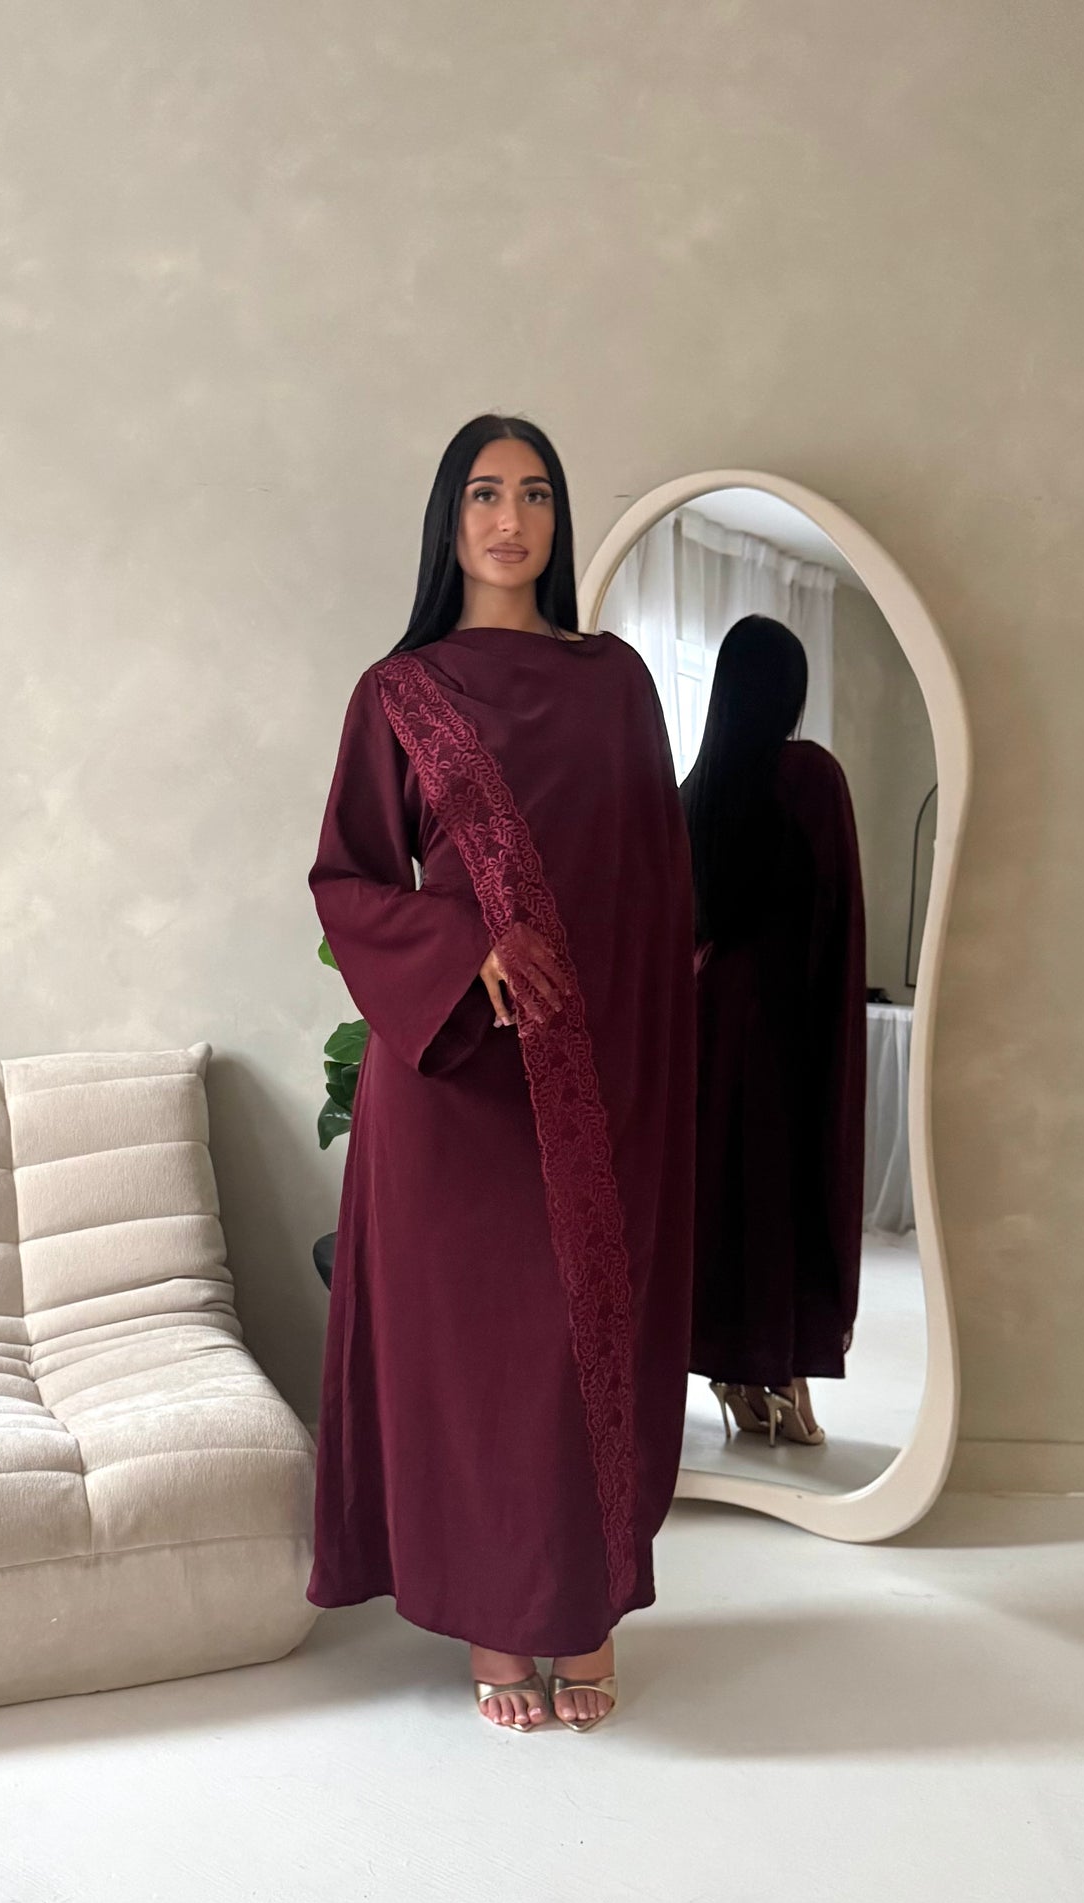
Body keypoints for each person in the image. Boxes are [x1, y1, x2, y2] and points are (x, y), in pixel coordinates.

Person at [308, 414, 695, 1732]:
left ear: (557, 519)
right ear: (449, 519)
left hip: (601, 1073)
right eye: (484, 493)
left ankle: (579, 1607)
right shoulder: (397, 692)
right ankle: (492, 1614)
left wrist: (643, 1057)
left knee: (582, 1341)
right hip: (458, 1086)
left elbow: (654, 886)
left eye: (534, 493)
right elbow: (348, 880)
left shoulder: (616, 681)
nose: (510, 518)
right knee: (484, 1356)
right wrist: (463, 949)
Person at [682, 615, 866, 1447]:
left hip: (708, 1019)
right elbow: (836, 915)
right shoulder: (810, 776)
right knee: (786, 1193)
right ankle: (784, 1378)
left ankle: (734, 1374)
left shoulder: (692, 789)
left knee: (720, 1196)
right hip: (785, 1023)